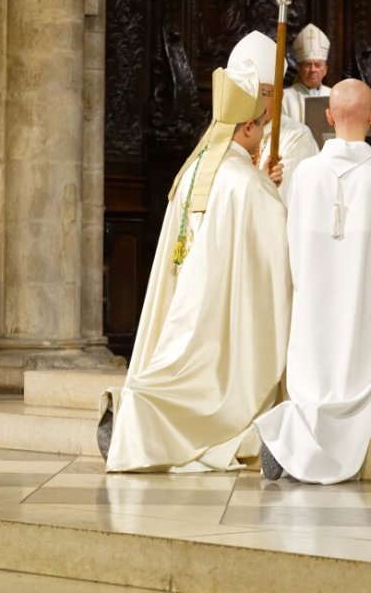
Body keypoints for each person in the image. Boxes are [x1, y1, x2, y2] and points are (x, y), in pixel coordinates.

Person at [97, 34, 290, 473]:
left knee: (176, 361)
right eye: (261, 125)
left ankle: (132, 414)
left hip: (189, 301)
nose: (263, 135)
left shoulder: (194, 169)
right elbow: (274, 268)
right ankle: (140, 422)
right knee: (216, 385)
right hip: (223, 310)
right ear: (246, 126)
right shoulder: (247, 183)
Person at [255, 80, 371, 484]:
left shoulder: (304, 174)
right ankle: (305, 435)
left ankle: (295, 429)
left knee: (315, 376)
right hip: (367, 310)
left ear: (329, 117)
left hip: (315, 304)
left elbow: (290, 241)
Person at [236, 30, 319, 201]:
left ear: (279, 96)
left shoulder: (296, 137)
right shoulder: (230, 132)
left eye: (263, 93)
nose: (255, 101)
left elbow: (288, 200)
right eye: (248, 92)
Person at [282, 24, 332, 124]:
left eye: (318, 65)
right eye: (308, 65)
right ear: (299, 69)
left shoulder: (333, 96)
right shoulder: (284, 97)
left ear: (325, 70)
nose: (313, 69)